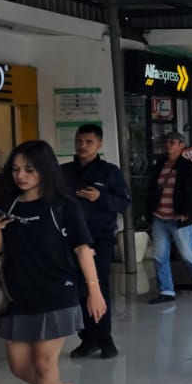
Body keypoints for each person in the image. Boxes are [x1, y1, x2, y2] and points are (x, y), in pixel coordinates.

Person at [0, 140, 103, 384]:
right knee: (18, 365)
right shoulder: (8, 204)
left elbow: (82, 248)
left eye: (29, 169)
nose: (21, 176)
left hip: (57, 291)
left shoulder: (63, 204)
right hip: (17, 294)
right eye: (16, 170)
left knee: (43, 363)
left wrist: (94, 289)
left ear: (45, 170)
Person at [61, 124, 131, 359]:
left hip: (99, 238)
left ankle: (105, 337)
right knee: (78, 291)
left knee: (98, 288)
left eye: (89, 142)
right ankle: (87, 338)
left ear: (99, 144)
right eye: (79, 141)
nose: (83, 146)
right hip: (70, 239)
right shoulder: (65, 172)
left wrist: (101, 197)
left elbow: (124, 202)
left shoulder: (109, 172)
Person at [145, 132, 192, 304]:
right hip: (159, 217)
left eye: (173, 142)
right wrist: (149, 212)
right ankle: (166, 290)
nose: (169, 145)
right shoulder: (159, 166)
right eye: (166, 142)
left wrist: (186, 213)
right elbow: (151, 190)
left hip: (179, 219)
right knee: (160, 256)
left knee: (187, 254)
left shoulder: (189, 167)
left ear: (182, 145)